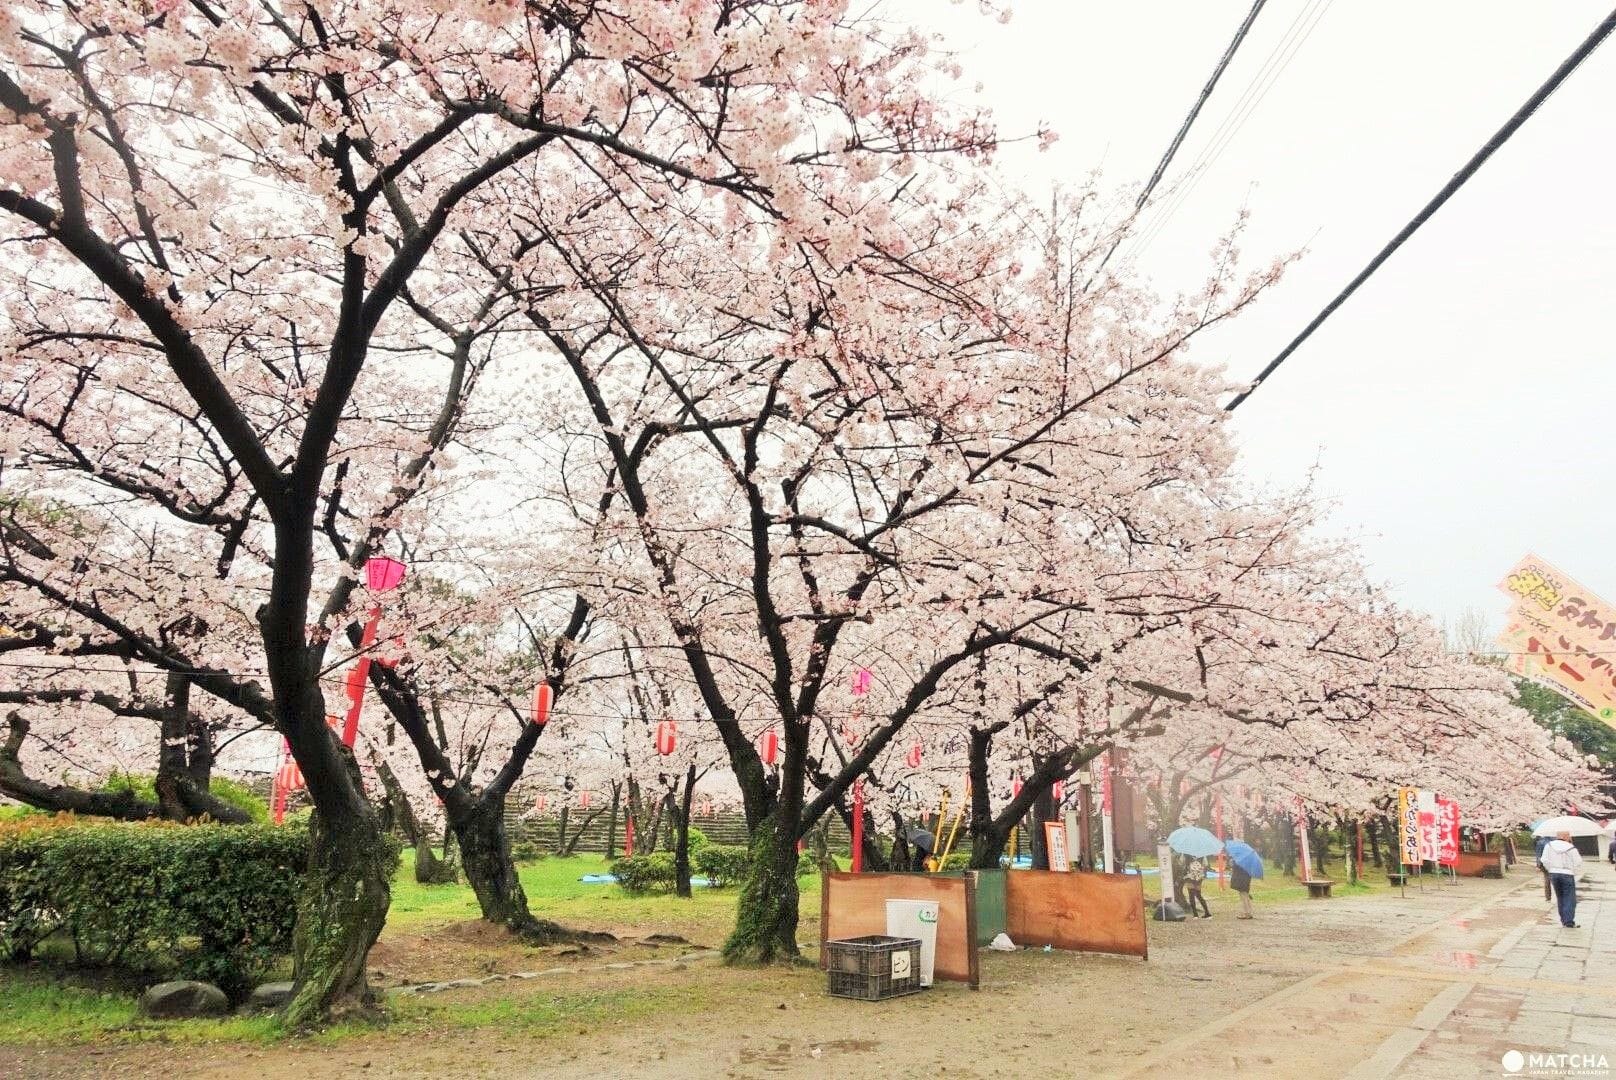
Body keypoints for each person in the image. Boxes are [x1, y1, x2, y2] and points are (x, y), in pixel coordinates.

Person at [1540, 830, 1584, 928]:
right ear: (1565, 836)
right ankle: (1568, 920)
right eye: (1568, 835)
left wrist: (1550, 869)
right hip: (1567, 873)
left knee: (1560, 896)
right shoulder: (1571, 847)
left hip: (1554, 873)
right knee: (1569, 897)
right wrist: (1574, 871)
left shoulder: (1549, 846)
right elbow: (1578, 862)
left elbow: (1544, 860)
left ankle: (1563, 918)